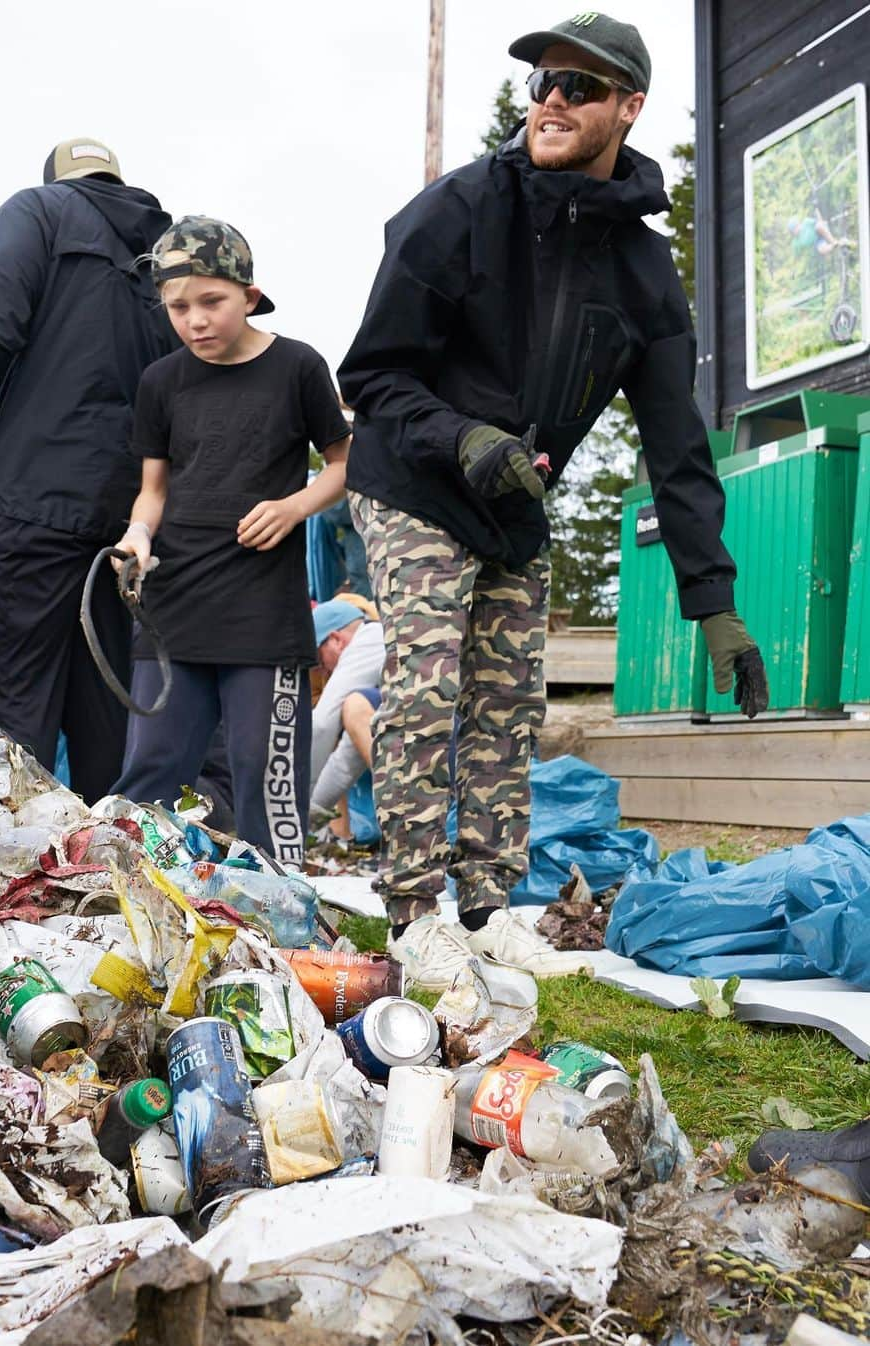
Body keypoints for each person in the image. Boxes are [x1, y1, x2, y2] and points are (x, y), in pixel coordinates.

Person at [338, 13, 768, 938]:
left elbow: (675, 442)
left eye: (580, 86)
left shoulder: (646, 270)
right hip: (414, 477)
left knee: (507, 703)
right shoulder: (457, 212)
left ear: (630, 107)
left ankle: (489, 914)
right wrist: (463, 439)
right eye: (544, 84)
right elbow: (370, 376)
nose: (553, 100)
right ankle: (415, 917)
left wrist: (713, 601)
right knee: (427, 682)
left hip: (512, 505)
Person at [0, 139, 176, 803]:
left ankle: (13, 888)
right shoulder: (167, 253)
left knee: (12, 718)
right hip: (126, 527)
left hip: (29, 506)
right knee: (103, 719)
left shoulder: (37, 211)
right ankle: (106, 884)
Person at [113, 217, 351, 866]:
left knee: (261, 776)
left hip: (261, 613)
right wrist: (137, 535)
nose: (195, 320)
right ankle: (126, 910)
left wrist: (292, 506)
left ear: (249, 294)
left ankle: (278, 927)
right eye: (178, 307)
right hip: (173, 609)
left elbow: (344, 462)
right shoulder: (160, 382)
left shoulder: (298, 366)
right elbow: (152, 491)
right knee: (150, 771)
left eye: (210, 301)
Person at [309, 599, 385, 837]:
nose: (323, 672)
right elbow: (345, 762)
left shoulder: (369, 638)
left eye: (319, 662)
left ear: (336, 640)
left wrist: (289, 803)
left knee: (353, 705)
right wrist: (309, 817)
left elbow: (321, 725)